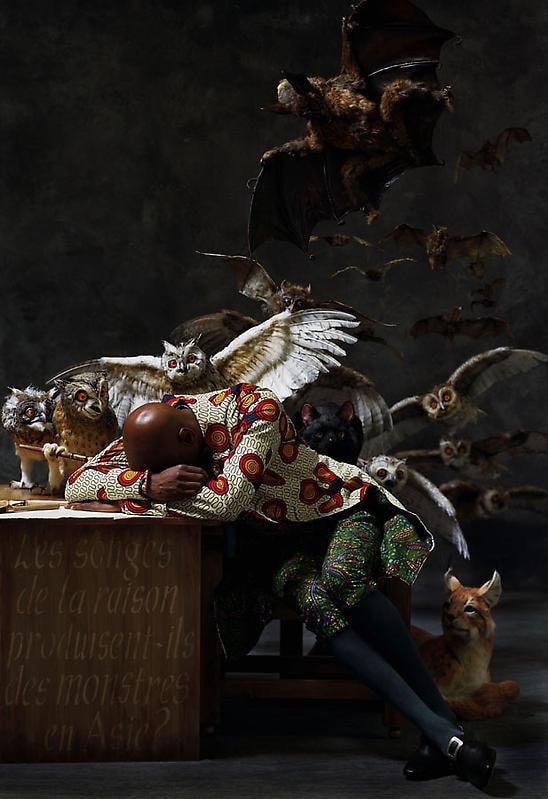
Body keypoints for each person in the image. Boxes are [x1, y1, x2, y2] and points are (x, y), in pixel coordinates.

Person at [66, 382, 496, 789]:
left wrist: (141, 494)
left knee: (341, 582)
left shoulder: (256, 407)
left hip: (339, 510)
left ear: (185, 436)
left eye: (172, 468)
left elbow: (226, 501)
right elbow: (77, 482)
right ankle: (445, 737)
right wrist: (147, 484)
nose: (173, 474)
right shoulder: (156, 428)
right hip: (281, 546)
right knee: (316, 603)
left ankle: (439, 732)